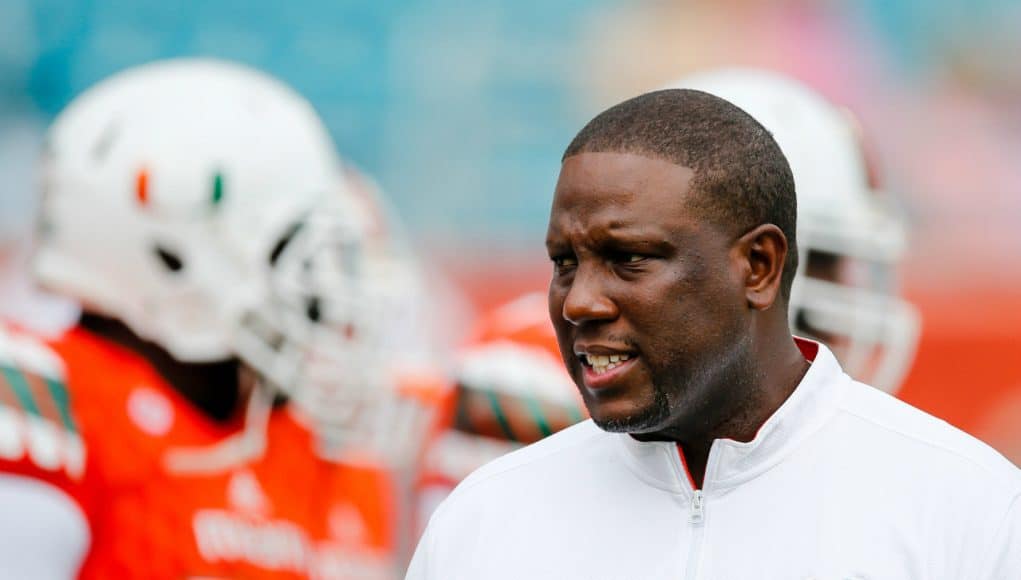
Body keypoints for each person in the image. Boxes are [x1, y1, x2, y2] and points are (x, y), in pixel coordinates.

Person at [406, 88, 1021, 578]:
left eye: (630, 257)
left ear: (759, 266)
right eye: (564, 262)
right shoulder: (486, 517)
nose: (580, 302)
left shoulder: (967, 507)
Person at [0, 57, 441, 579]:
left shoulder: (323, 446)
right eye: (292, 254)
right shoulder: (46, 407)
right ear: (172, 255)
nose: (322, 295)